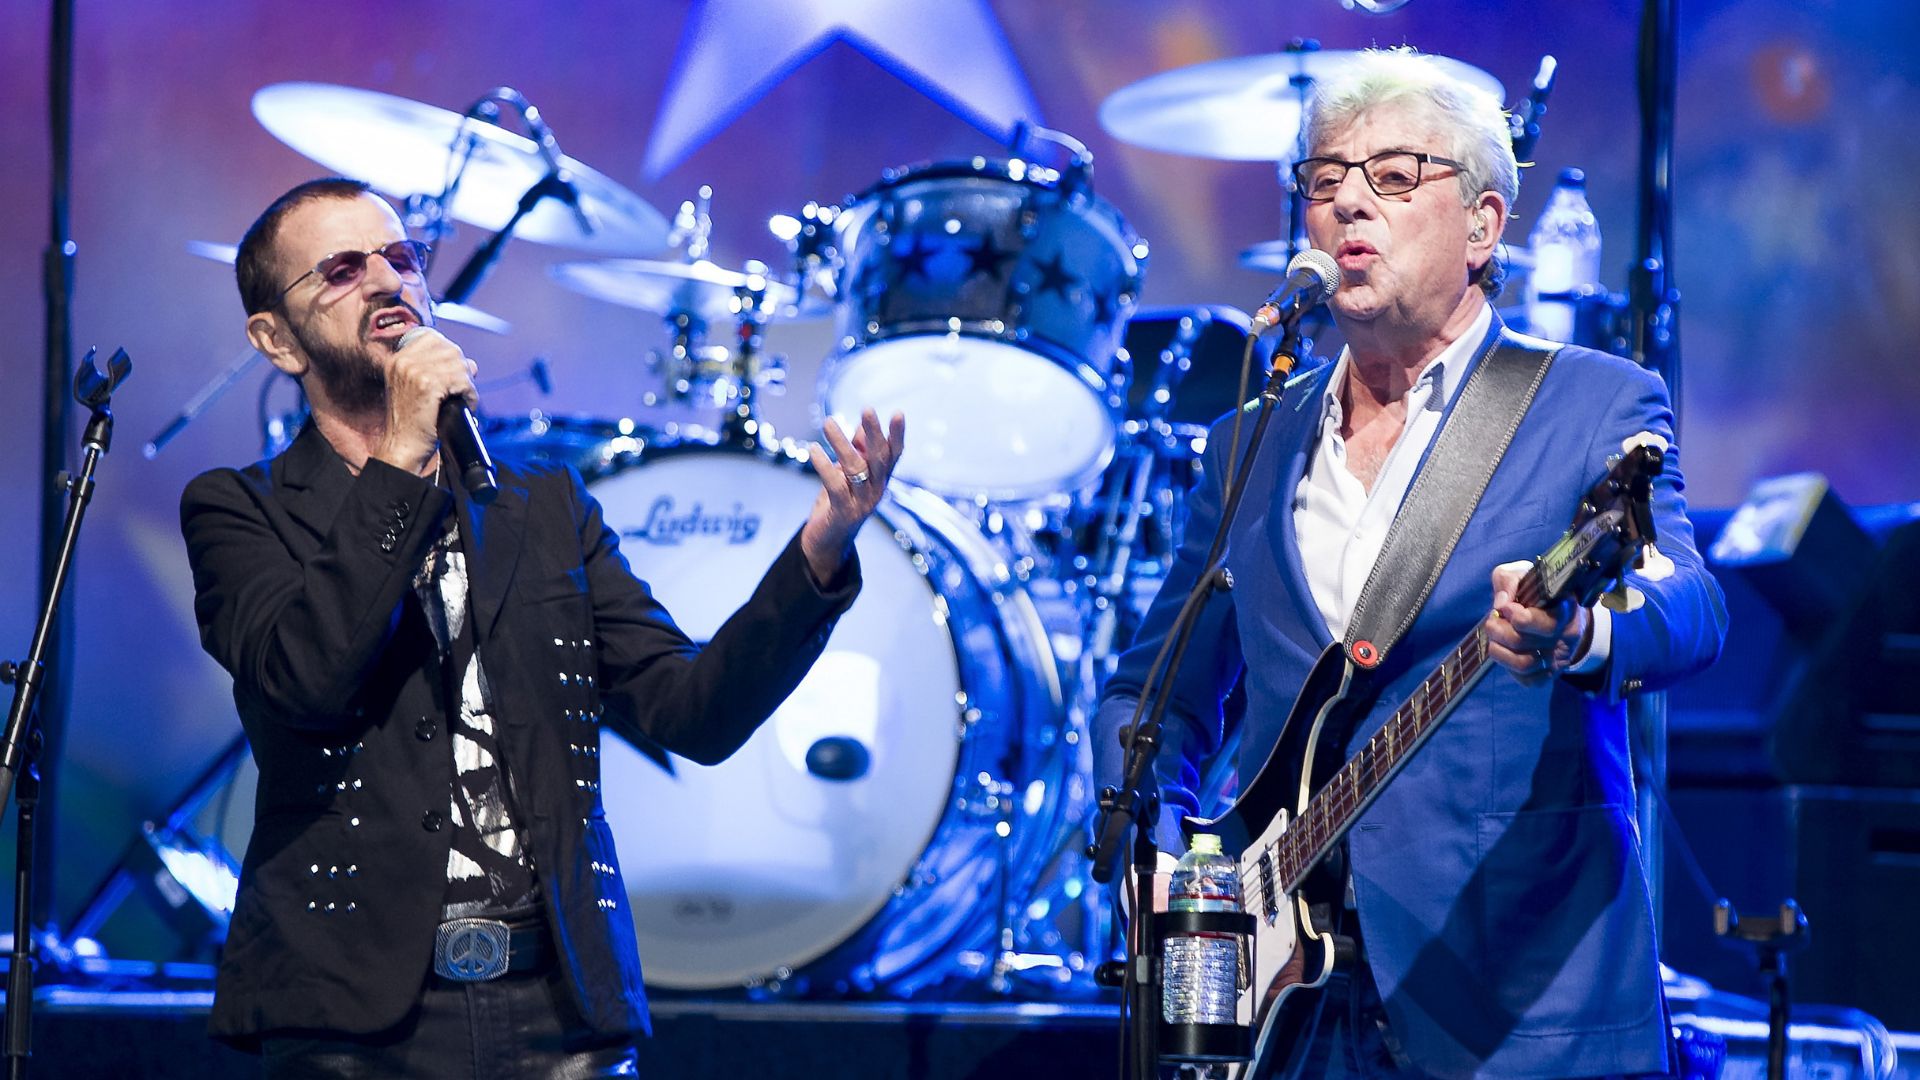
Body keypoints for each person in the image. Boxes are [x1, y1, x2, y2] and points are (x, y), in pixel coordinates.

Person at [181, 177, 905, 1077]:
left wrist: (819, 558)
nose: (385, 281)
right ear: (274, 338)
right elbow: (308, 679)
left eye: (400, 259)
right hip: (353, 1023)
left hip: (561, 1015)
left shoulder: (541, 506)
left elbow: (693, 715)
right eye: (340, 269)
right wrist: (404, 454)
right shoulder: (240, 510)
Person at [1093, 50, 1727, 1079]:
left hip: (1512, 1002)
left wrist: (1583, 634)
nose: (1349, 200)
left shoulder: (1590, 404)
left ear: (1483, 225)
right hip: (1288, 1014)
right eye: (1325, 178)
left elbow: (1689, 606)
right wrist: (1166, 863)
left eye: (1393, 175)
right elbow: (1151, 692)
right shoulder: (1248, 440)